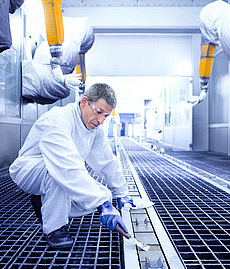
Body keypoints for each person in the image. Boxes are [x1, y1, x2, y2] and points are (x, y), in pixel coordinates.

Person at [9, 83, 135, 249]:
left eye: (106, 116)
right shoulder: (58, 119)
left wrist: (120, 193)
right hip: (29, 169)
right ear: (84, 102)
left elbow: (106, 161)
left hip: (60, 169)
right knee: (59, 175)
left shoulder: (95, 129)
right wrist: (101, 204)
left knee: (103, 193)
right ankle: (54, 228)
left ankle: (44, 201)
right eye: (98, 112)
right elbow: (66, 167)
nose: (101, 121)